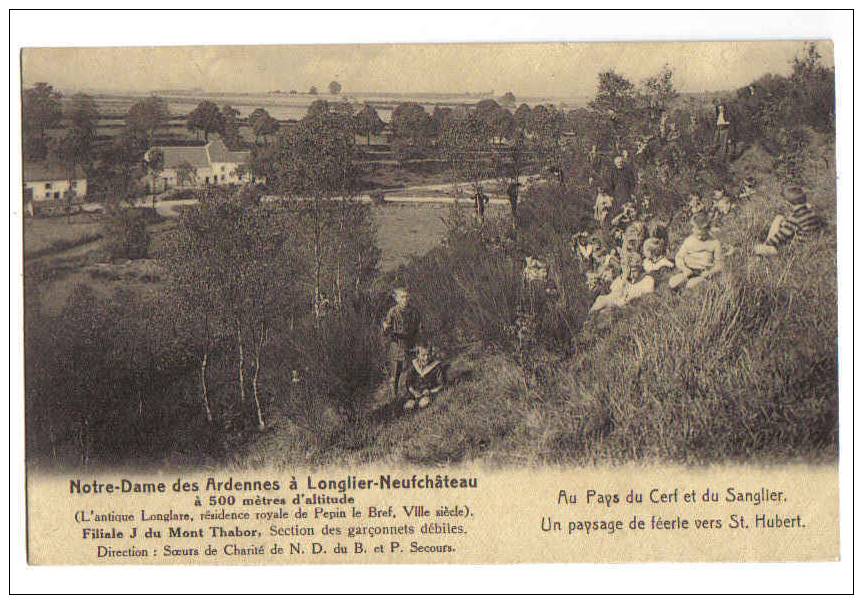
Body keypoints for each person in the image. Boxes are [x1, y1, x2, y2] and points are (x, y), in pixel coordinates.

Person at [754, 186, 824, 257]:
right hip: (810, 246)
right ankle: (765, 246)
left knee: (757, 249)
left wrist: (766, 245)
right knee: (779, 218)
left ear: (788, 204)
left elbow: (780, 237)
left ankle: (763, 252)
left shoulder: (795, 218)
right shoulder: (812, 212)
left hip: (794, 251)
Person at [382, 287, 421, 398]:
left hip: (410, 344)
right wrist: (385, 327)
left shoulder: (414, 311)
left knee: (411, 370)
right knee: (395, 374)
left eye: (407, 296)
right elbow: (386, 329)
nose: (405, 299)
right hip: (396, 345)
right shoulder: (393, 312)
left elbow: (419, 329)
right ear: (397, 299)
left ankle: (411, 392)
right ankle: (395, 399)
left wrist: (418, 343)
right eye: (402, 297)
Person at [669, 212, 725, 290]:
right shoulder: (689, 241)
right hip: (688, 270)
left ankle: (703, 285)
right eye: (697, 234)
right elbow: (679, 257)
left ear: (708, 229)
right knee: (672, 282)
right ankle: (683, 287)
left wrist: (710, 272)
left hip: (703, 273)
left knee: (690, 285)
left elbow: (720, 264)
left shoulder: (714, 243)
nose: (699, 237)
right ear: (693, 229)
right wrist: (684, 268)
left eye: (702, 235)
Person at [590, 253, 655, 313]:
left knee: (603, 308)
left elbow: (646, 299)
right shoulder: (630, 281)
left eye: (634, 271)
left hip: (628, 307)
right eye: (630, 272)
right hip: (620, 302)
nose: (632, 275)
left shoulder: (648, 280)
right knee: (600, 299)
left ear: (640, 267)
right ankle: (589, 318)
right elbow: (619, 294)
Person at [403, 344, 447, 411]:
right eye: (423, 355)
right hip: (414, 393)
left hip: (428, 392)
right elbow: (408, 383)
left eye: (428, 354)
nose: (426, 358)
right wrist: (414, 392)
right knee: (409, 406)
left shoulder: (436, 367)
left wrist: (430, 391)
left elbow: (442, 384)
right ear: (418, 355)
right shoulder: (413, 365)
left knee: (424, 404)